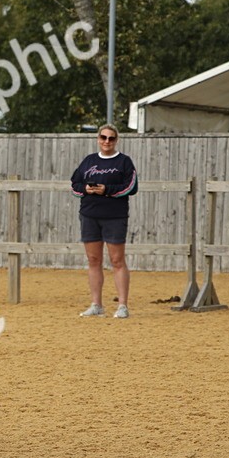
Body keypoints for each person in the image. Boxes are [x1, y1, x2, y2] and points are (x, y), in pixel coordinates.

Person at [71, 124, 138, 318]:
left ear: (116, 140)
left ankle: (123, 305)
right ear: (98, 138)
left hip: (115, 216)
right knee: (93, 260)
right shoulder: (88, 161)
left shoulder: (124, 162)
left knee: (117, 260)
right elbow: (75, 184)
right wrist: (86, 189)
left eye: (111, 138)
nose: (107, 141)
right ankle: (96, 304)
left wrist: (106, 190)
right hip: (89, 215)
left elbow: (131, 186)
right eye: (103, 137)